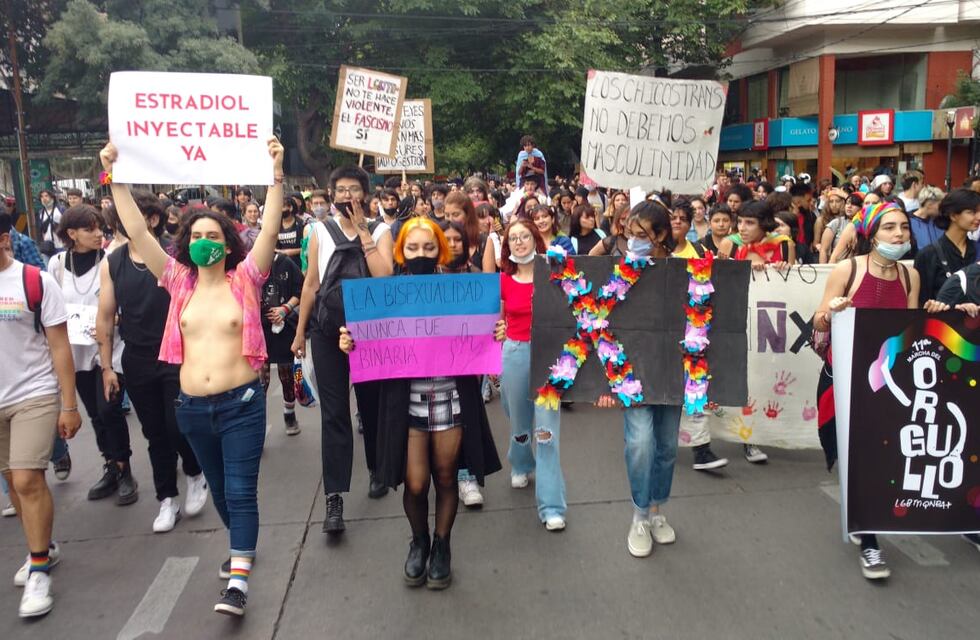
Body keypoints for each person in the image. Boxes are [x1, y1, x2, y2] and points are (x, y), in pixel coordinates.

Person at [100, 137, 284, 616]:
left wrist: (276, 174)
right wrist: (115, 177)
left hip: (241, 404)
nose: (205, 242)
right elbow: (138, 232)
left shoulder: (246, 278)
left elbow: (267, 228)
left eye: (214, 236)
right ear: (186, 243)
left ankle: (238, 579)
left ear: (228, 244)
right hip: (192, 410)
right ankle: (242, 549)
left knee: (241, 490)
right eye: (196, 235)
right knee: (221, 491)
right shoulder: (177, 280)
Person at [339, 217, 503, 589]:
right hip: (407, 402)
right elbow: (369, 339)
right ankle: (419, 540)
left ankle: (442, 545)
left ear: (440, 250)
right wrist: (351, 341)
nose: (421, 254)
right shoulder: (388, 294)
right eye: (413, 248)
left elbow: (481, 334)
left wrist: (496, 331)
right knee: (415, 482)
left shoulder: (461, 290)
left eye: (429, 248)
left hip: (450, 397)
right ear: (401, 251)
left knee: (446, 476)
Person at [813, 201, 923, 580]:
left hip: (884, 385)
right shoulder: (848, 269)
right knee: (856, 459)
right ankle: (869, 538)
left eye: (904, 228)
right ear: (871, 234)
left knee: (880, 459)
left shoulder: (911, 276)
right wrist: (833, 312)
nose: (898, 235)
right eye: (890, 228)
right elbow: (818, 323)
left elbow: (911, 329)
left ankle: (869, 532)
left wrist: (937, 312)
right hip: (844, 382)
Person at [292, 164, 394, 534]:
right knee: (334, 413)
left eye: (354, 189)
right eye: (341, 189)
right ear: (332, 195)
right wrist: (300, 332)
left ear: (365, 195)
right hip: (326, 329)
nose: (347, 195)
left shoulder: (382, 230)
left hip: (369, 330)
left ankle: (378, 469)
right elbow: (311, 285)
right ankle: (334, 497)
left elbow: (385, 277)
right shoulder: (319, 230)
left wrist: (365, 231)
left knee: (370, 404)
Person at [97, 197, 208, 533]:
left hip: (177, 355)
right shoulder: (112, 262)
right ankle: (167, 499)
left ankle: (194, 472)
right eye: (119, 218)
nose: (125, 224)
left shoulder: (176, 257)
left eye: (133, 217)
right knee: (154, 432)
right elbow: (105, 316)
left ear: (154, 220)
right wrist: (106, 367)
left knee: (178, 426)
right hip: (137, 358)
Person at [0, 211, 82, 618]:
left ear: (3, 240)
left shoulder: (34, 281)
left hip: (33, 392)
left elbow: (59, 345)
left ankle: (38, 568)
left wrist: (69, 403)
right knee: (10, 481)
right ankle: (43, 543)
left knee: (27, 477)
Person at [593, 201, 681, 557]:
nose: (633, 239)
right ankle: (639, 515)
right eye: (629, 232)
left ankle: (657, 509)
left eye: (641, 234)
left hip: (672, 373)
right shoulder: (619, 273)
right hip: (632, 375)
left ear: (660, 236)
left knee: (668, 447)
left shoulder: (685, 269)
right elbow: (597, 324)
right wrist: (603, 382)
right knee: (641, 443)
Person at [48, 206, 138, 506]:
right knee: (96, 414)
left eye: (101, 228)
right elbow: (51, 306)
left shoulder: (111, 261)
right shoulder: (58, 265)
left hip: (111, 351)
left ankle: (125, 470)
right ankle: (110, 464)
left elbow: (124, 303)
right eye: (90, 229)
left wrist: (114, 318)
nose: (99, 234)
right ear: (71, 234)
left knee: (110, 409)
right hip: (76, 353)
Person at [498, 217, 566, 530]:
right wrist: (496, 334)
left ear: (535, 239)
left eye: (526, 236)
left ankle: (552, 506)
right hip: (514, 353)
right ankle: (521, 461)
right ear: (507, 246)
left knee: (547, 433)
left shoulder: (552, 273)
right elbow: (494, 322)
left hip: (550, 357)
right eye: (514, 239)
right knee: (520, 422)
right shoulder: (503, 279)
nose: (521, 242)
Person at [260, 252, 303, 436]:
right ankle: (257, 425)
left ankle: (289, 415)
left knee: (287, 376)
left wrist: (285, 309)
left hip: (285, 330)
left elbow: (300, 291)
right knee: (261, 379)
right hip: (259, 330)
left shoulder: (285, 263)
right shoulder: (249, 265)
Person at [913, 189, 980, 306]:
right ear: (953, 215)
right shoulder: (928, 255)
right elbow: (922, 302)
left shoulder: (977, 250)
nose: (978, 217)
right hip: (942, 322)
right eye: (971, 212)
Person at [717, 200, 796, 268]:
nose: (741, 228)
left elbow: (792, 281)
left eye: (749, 223)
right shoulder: (729, 244)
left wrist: (784, 271)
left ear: (764, 224)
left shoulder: (784, 245)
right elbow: (719, 281)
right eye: (740, 221)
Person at [820, 193, 863, 263]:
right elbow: (824, 250)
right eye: (847, 203)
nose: (849, 206)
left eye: (854, 204)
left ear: (861, 207)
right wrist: (823, 269)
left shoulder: (864, 226)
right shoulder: (836, 223)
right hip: (836, 265)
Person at [908, 186, 944, 251]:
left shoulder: (940, 220)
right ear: (929, 205)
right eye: (940, 205)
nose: (942, 208)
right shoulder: (908, 221)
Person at [276, 195, 305, 270]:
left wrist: (291, 252)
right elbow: (272, 247)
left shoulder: (302, 224)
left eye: (282, 207)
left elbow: (307, 248)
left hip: (300, 265)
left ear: (290, 208)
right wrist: (281, 252)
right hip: (282, 265)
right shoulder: (276, 225)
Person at [35, 189, 64, 258]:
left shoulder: (61, 209)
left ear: (52, 197)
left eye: (46, 196)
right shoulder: (41, 213)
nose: (44, 198)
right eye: (42, 197)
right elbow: (39, 230)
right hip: (47, 246)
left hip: (61, 245)